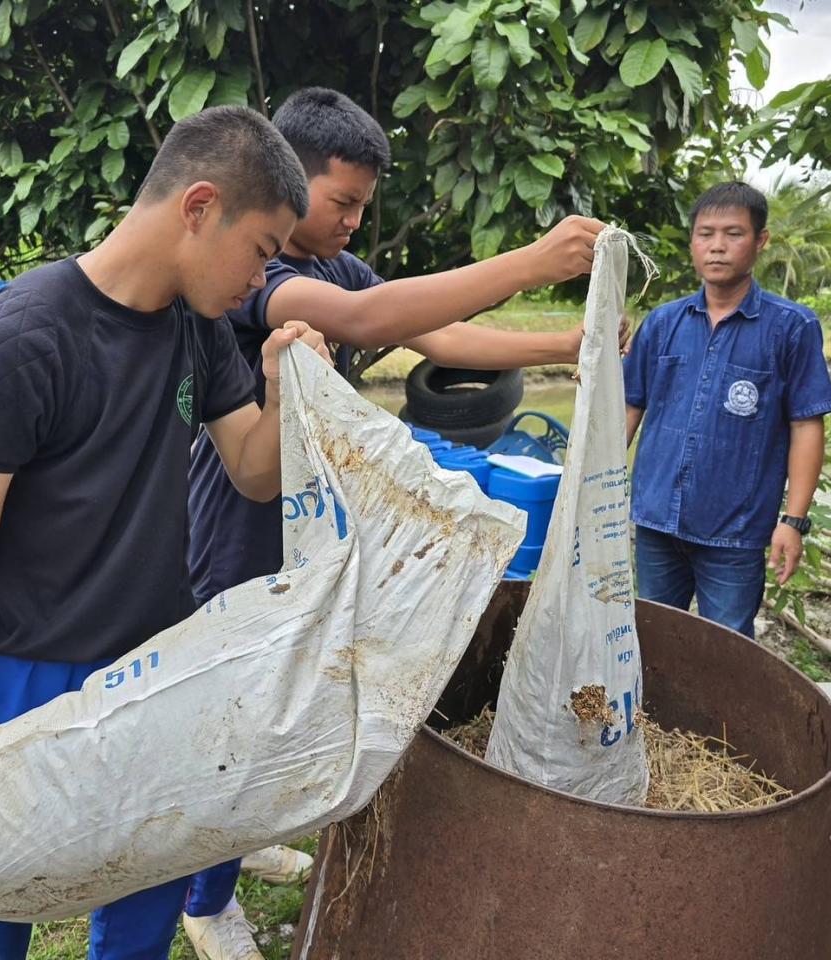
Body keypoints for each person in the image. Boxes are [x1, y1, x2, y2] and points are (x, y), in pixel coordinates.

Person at [0, 106, 330, 960]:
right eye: (262, 250)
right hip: (25, 669)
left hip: (155, 669)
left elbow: (253, 471)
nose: (261, 279)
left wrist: (278, 379)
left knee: (141, 898)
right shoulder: (25, 337)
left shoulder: (200, 328)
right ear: (198, 207)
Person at [182, 86, 616, 960]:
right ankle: (202, 896)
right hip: (240, 520)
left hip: (309, 524)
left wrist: (569, 345)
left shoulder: (336, 265)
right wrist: (532, 261)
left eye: (360, 207)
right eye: (340, 203)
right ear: (287, 185)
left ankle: (243, 840)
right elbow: (366, 321)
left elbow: (443, 336)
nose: (351, 223)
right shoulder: (257, 274)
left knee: (286, 695)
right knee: (232, 711)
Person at [622, 181, 831, 639]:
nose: (717, 246)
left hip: (735, 532)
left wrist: (793, 521)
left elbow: (806, 425)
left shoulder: (791, 328)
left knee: (727, 648)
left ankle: (720, 715)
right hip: (657, 518)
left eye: (733, 233)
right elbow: (629, 407)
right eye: (705, 233)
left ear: (760, 241)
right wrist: (591, 488)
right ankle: (649, 713)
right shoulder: (664, 322)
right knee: (651, 637)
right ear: (692, 243)